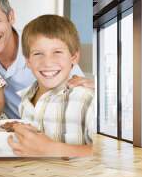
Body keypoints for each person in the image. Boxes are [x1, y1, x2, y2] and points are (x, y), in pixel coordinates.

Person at [7, 15, 94, 157]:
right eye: (38, 53)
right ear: (28, 61)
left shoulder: (87, 100)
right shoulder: (24, 100)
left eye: (57, 52)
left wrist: (51, 150)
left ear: (74, 57)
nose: (47, 62)